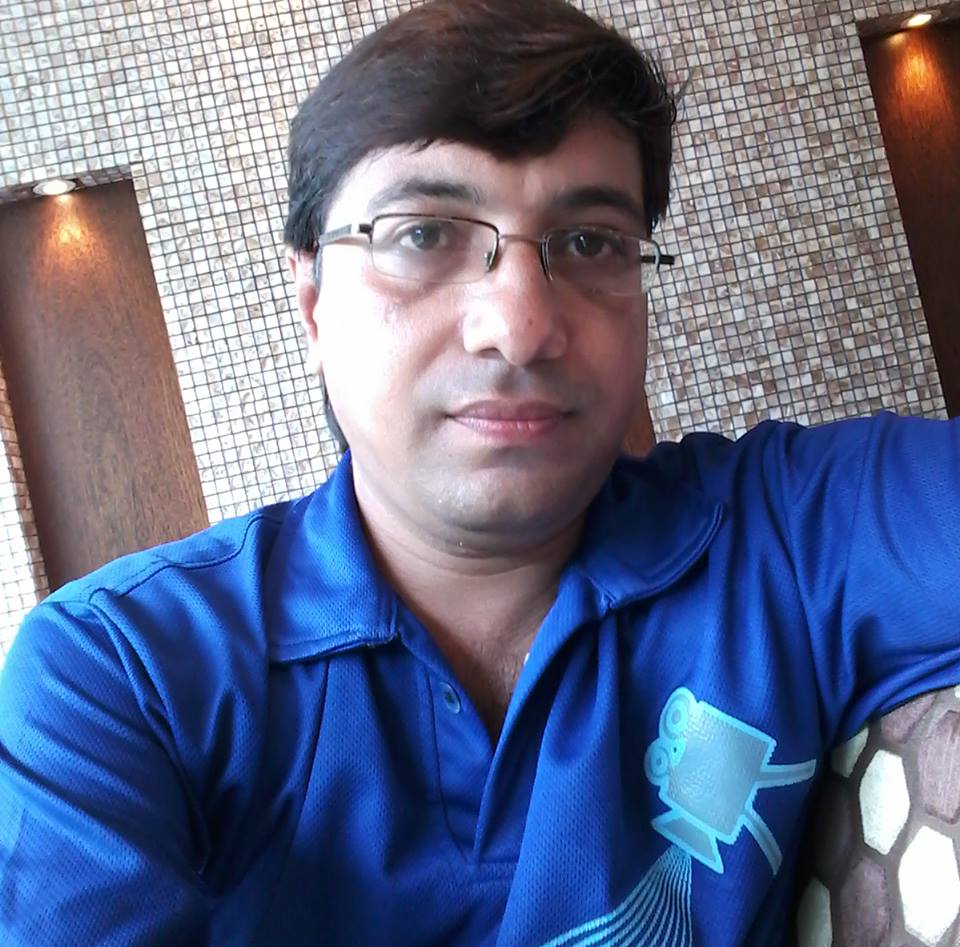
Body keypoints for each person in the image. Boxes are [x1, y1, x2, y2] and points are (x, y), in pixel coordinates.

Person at [1, 0, 958, 944]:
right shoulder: (122, 676)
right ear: (313, 304)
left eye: (590, 242)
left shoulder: (789, 536)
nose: (522, 325)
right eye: (424, 234)